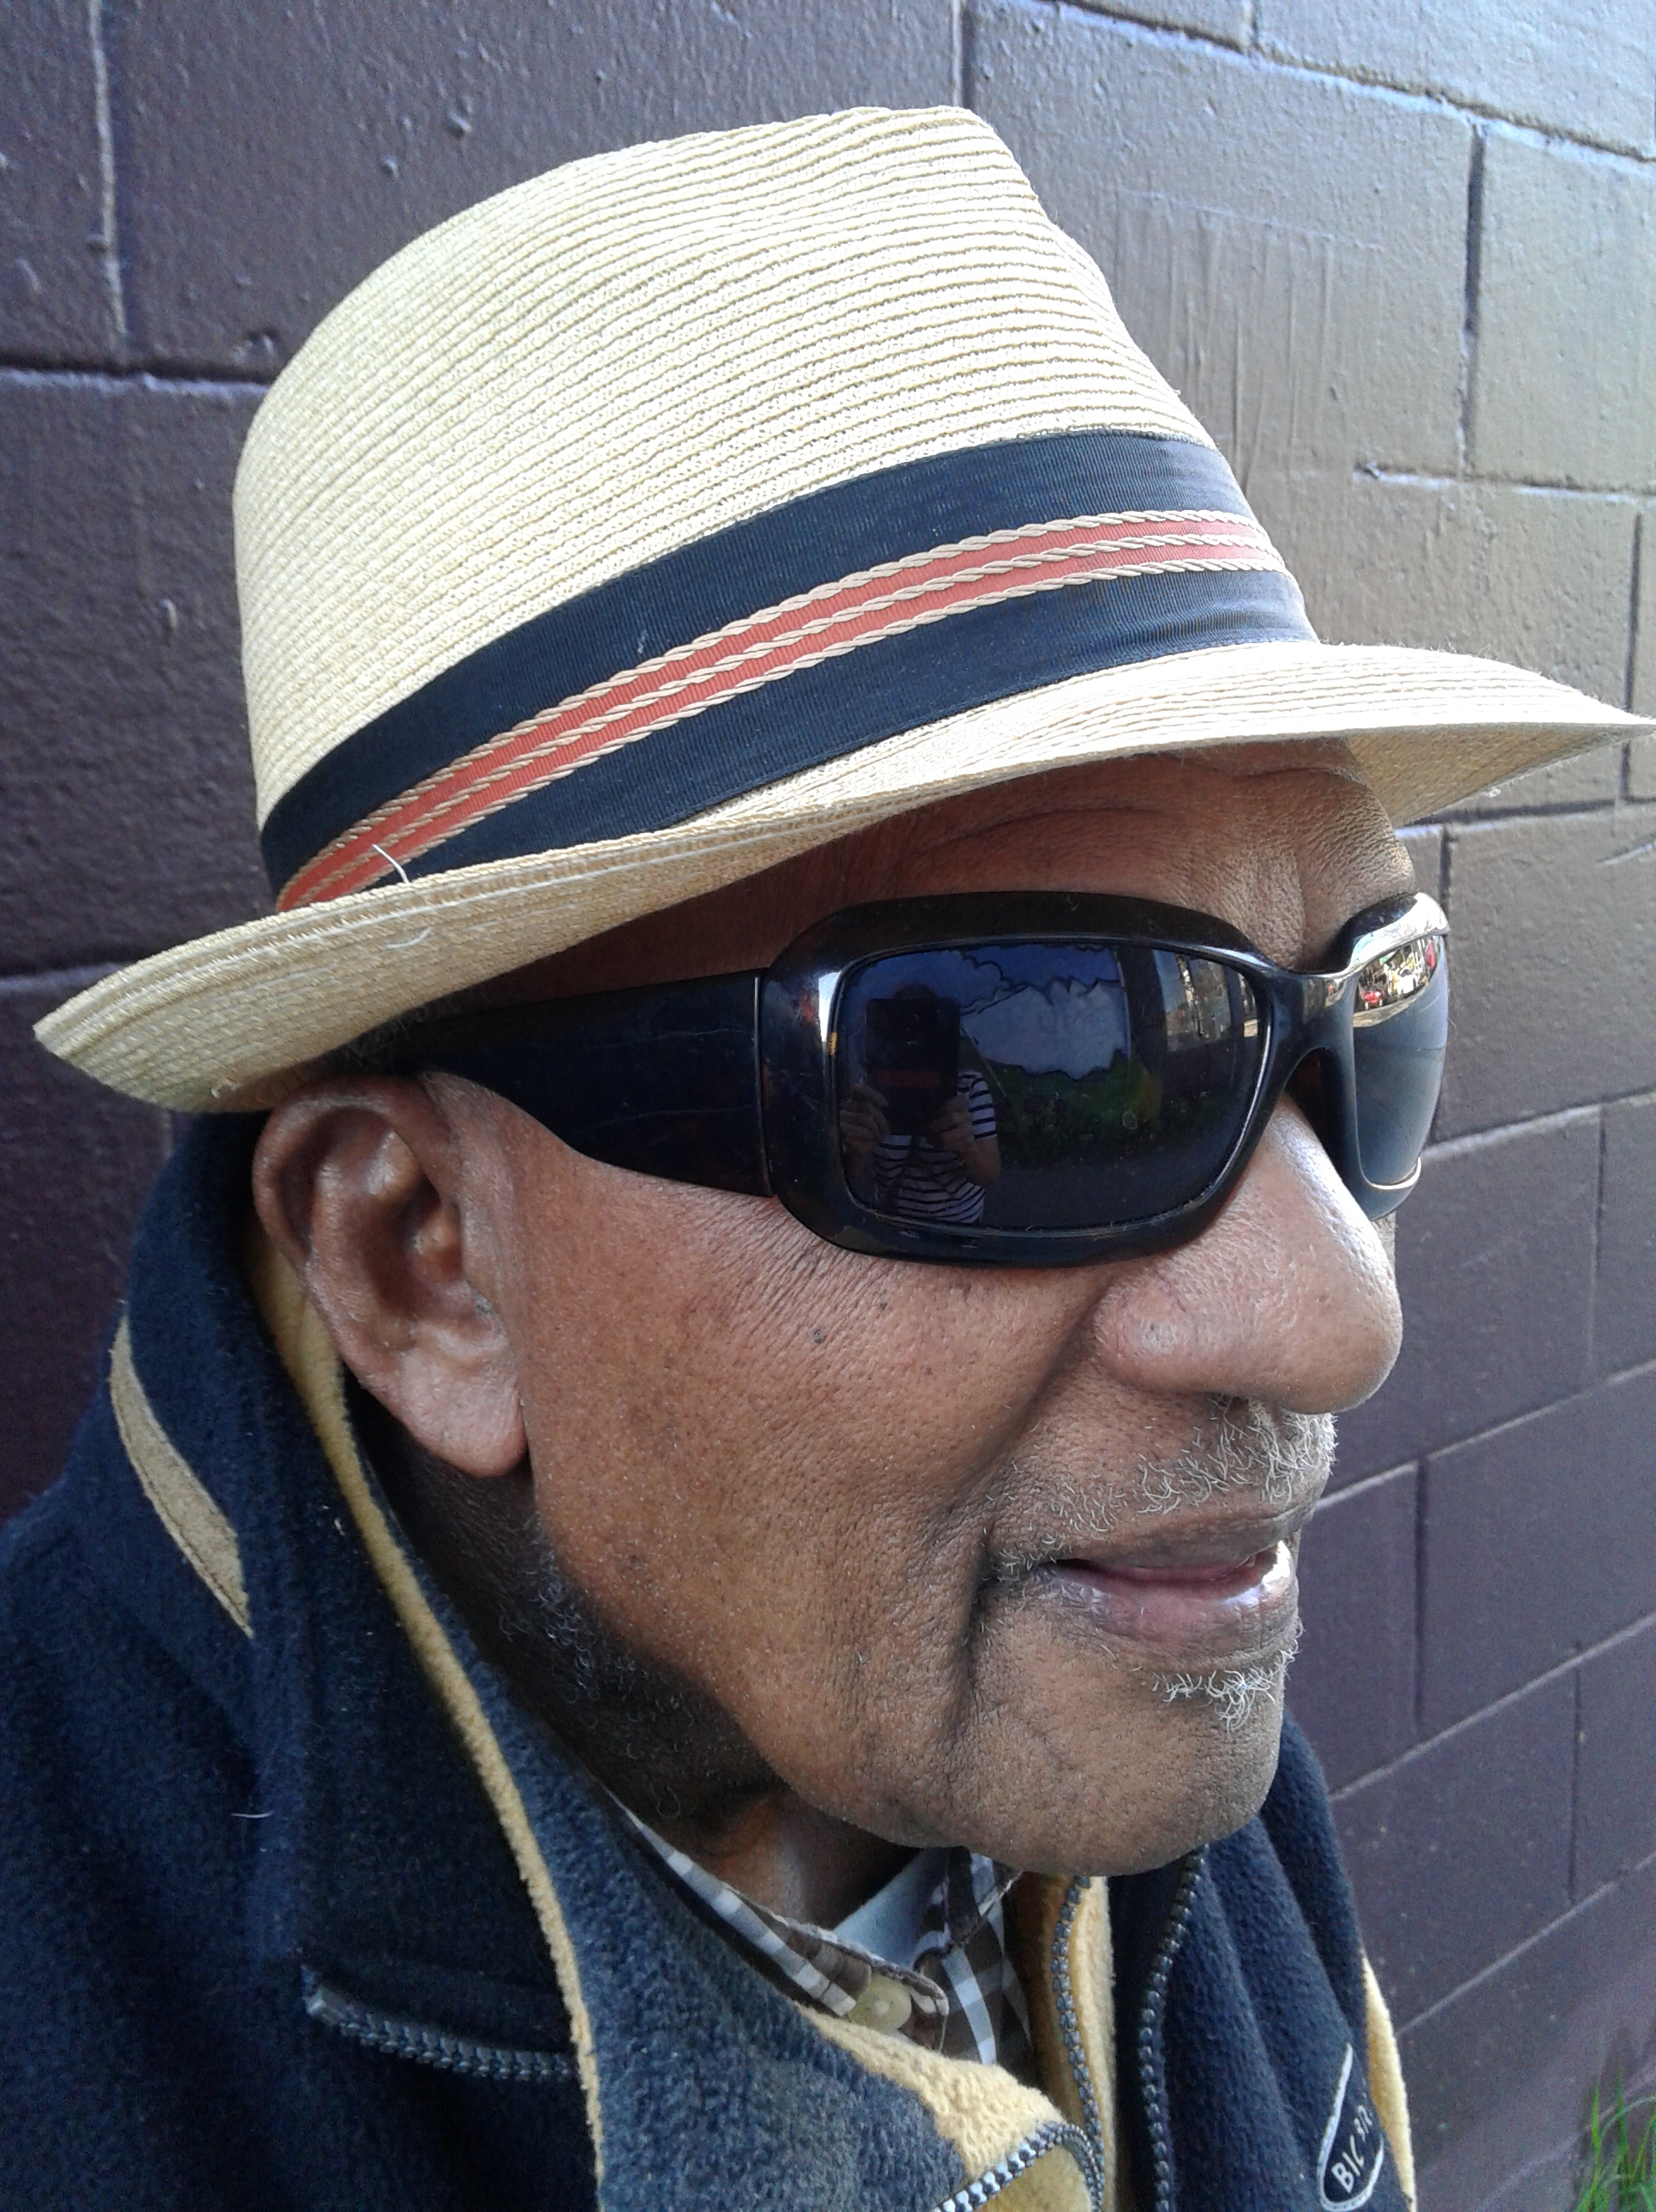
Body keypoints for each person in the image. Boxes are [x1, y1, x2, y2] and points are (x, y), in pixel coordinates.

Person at [3, 108, 1641, 2212]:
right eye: (1031, 1068)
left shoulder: (1122, 1660)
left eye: (1365, 1020)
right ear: (428, 1263)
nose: (1336, 1314)